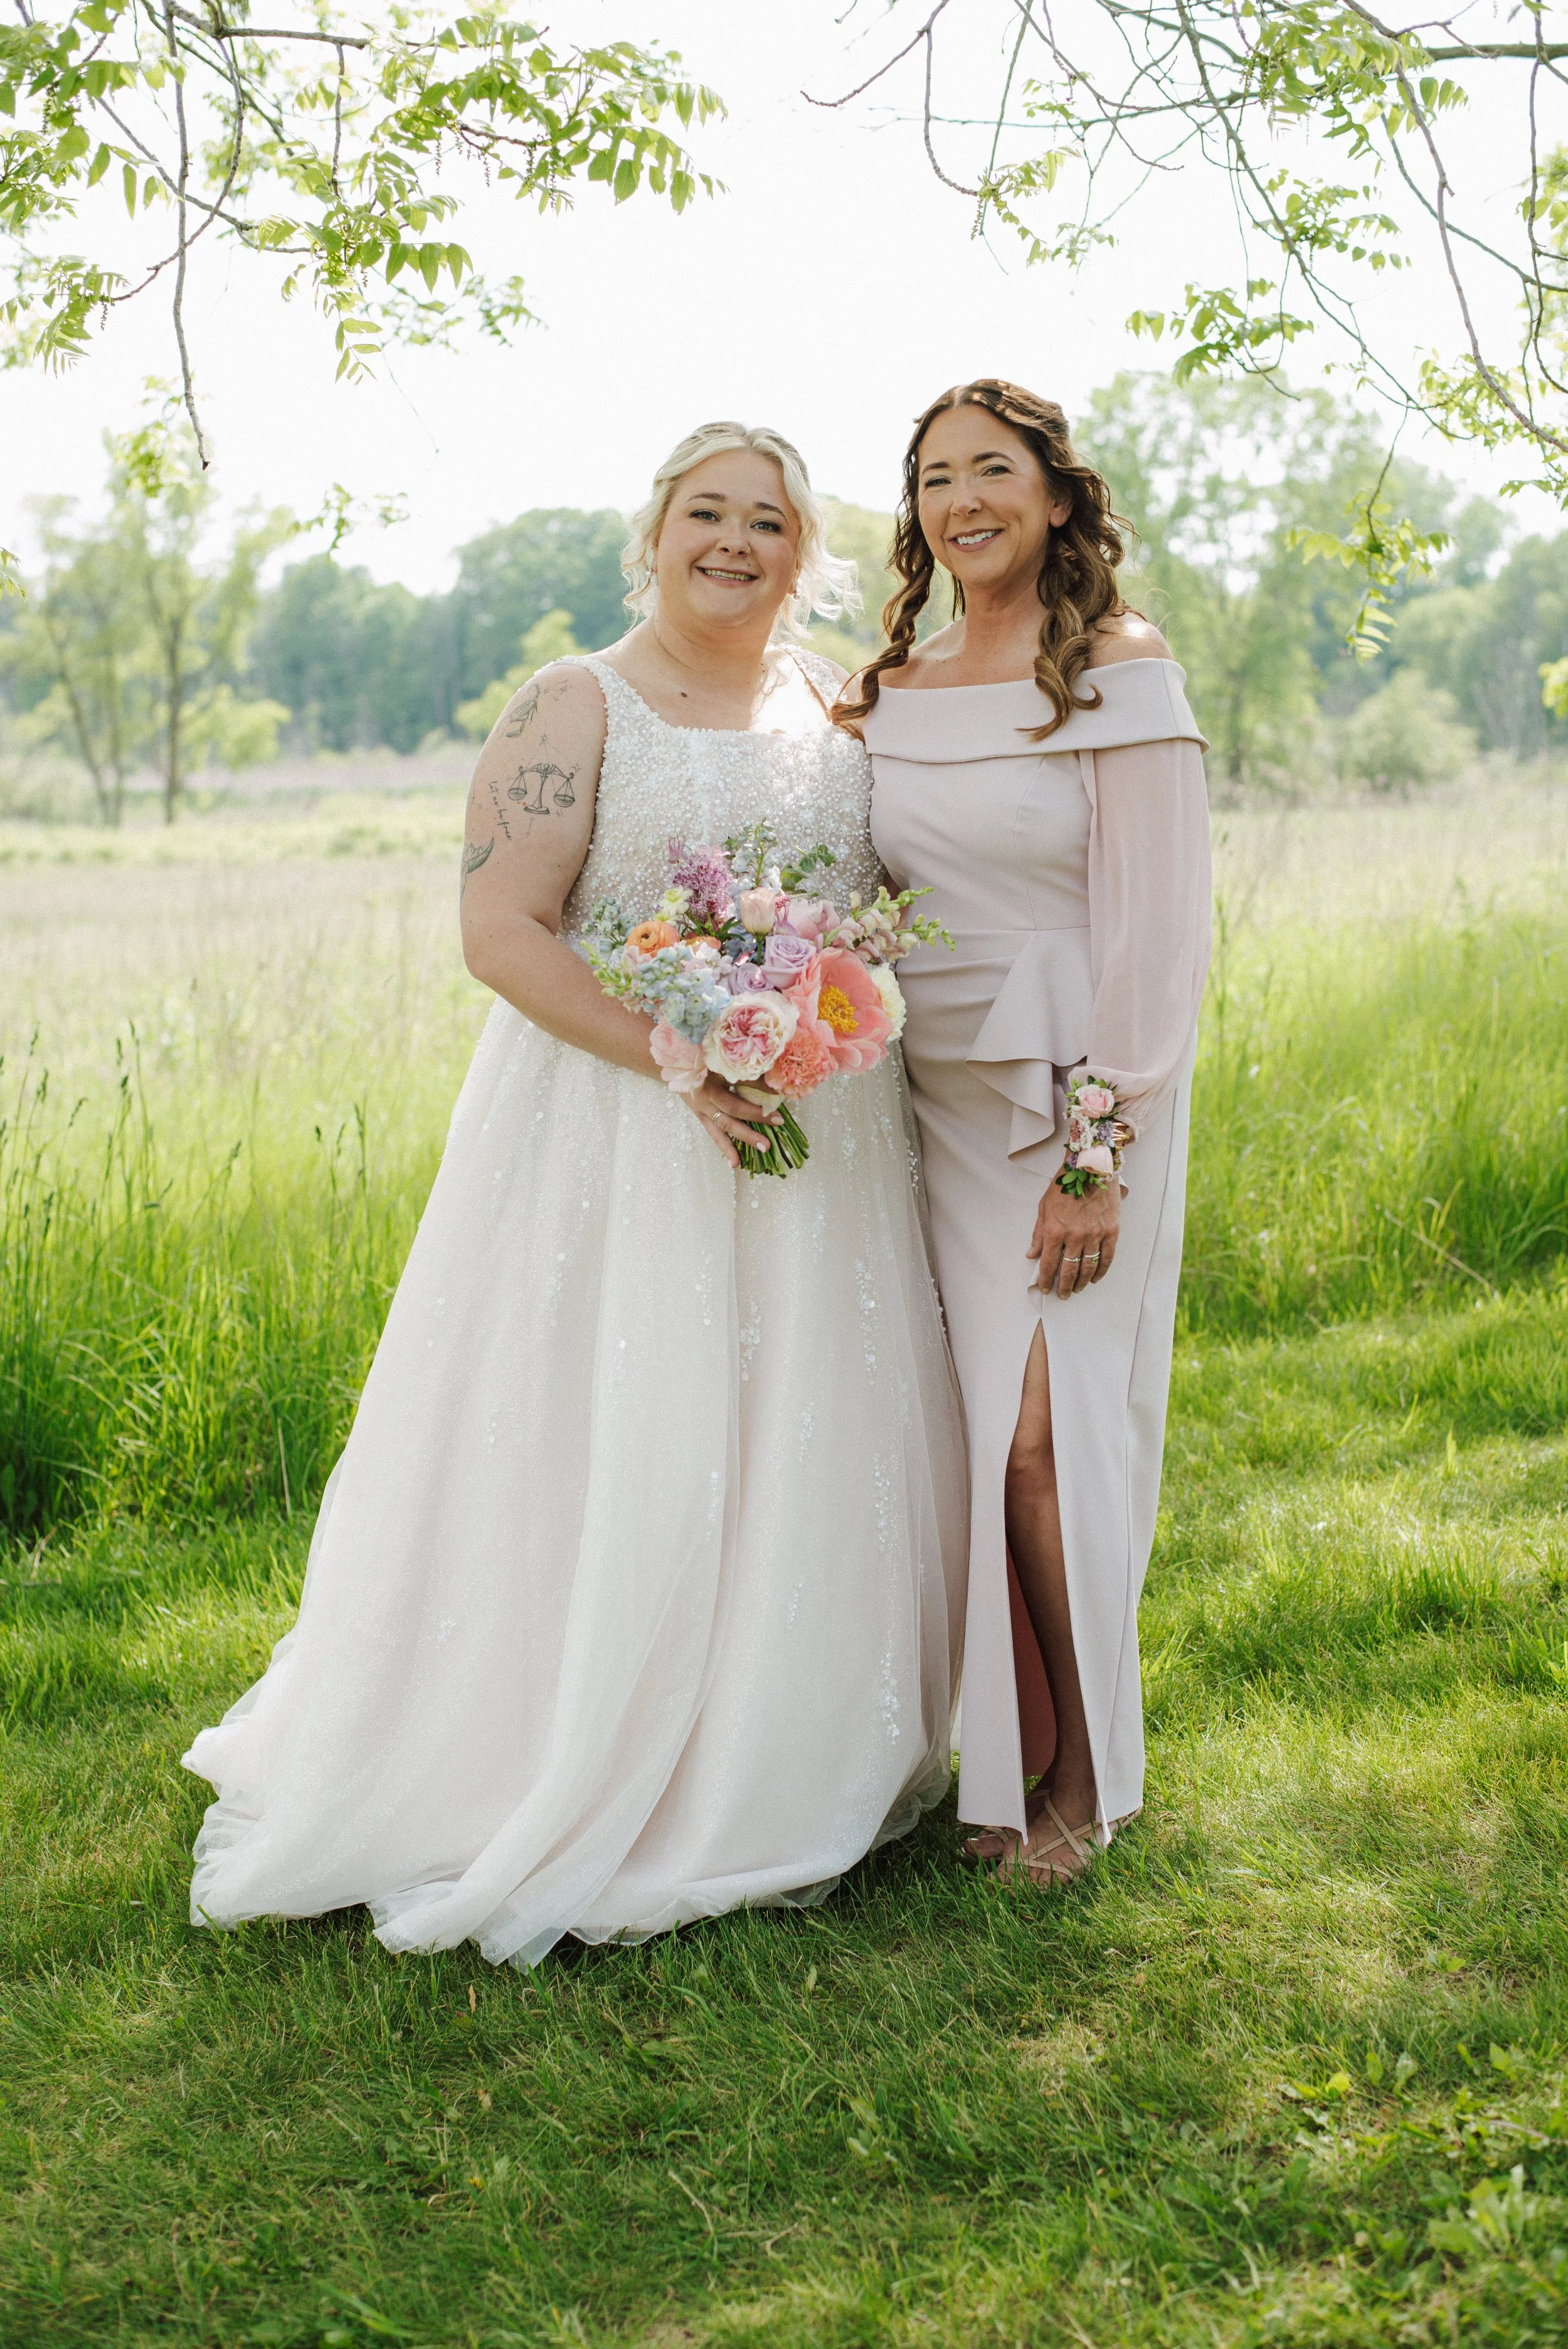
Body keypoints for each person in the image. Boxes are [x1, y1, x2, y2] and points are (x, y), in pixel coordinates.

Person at [184, 422, 967, 1968]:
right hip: (618, 1133)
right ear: (654, 530)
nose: (734, 542)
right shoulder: (572, 700)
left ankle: (781, 1743)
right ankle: (550, 1749)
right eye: (707, 513)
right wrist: (674, 1054)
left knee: (802, 1410)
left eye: (766, 521)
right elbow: (501, 930)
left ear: (802, 553)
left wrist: (811, 1011)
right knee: (616, 1422)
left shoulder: (832, 704)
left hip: (818, 1136)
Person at [842, 379, 1211, 1885]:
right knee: (977, 1448)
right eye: (935, 477)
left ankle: (1082, 1782)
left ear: (1056, 496)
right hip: (927, 1101)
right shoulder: (898, 685)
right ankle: (1001, 1761)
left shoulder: (1115, 668)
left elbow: (1155, 933)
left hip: (1076, 1093)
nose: (960, 499)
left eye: (991, 470)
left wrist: (1096, 1154)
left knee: (1051, 1445)